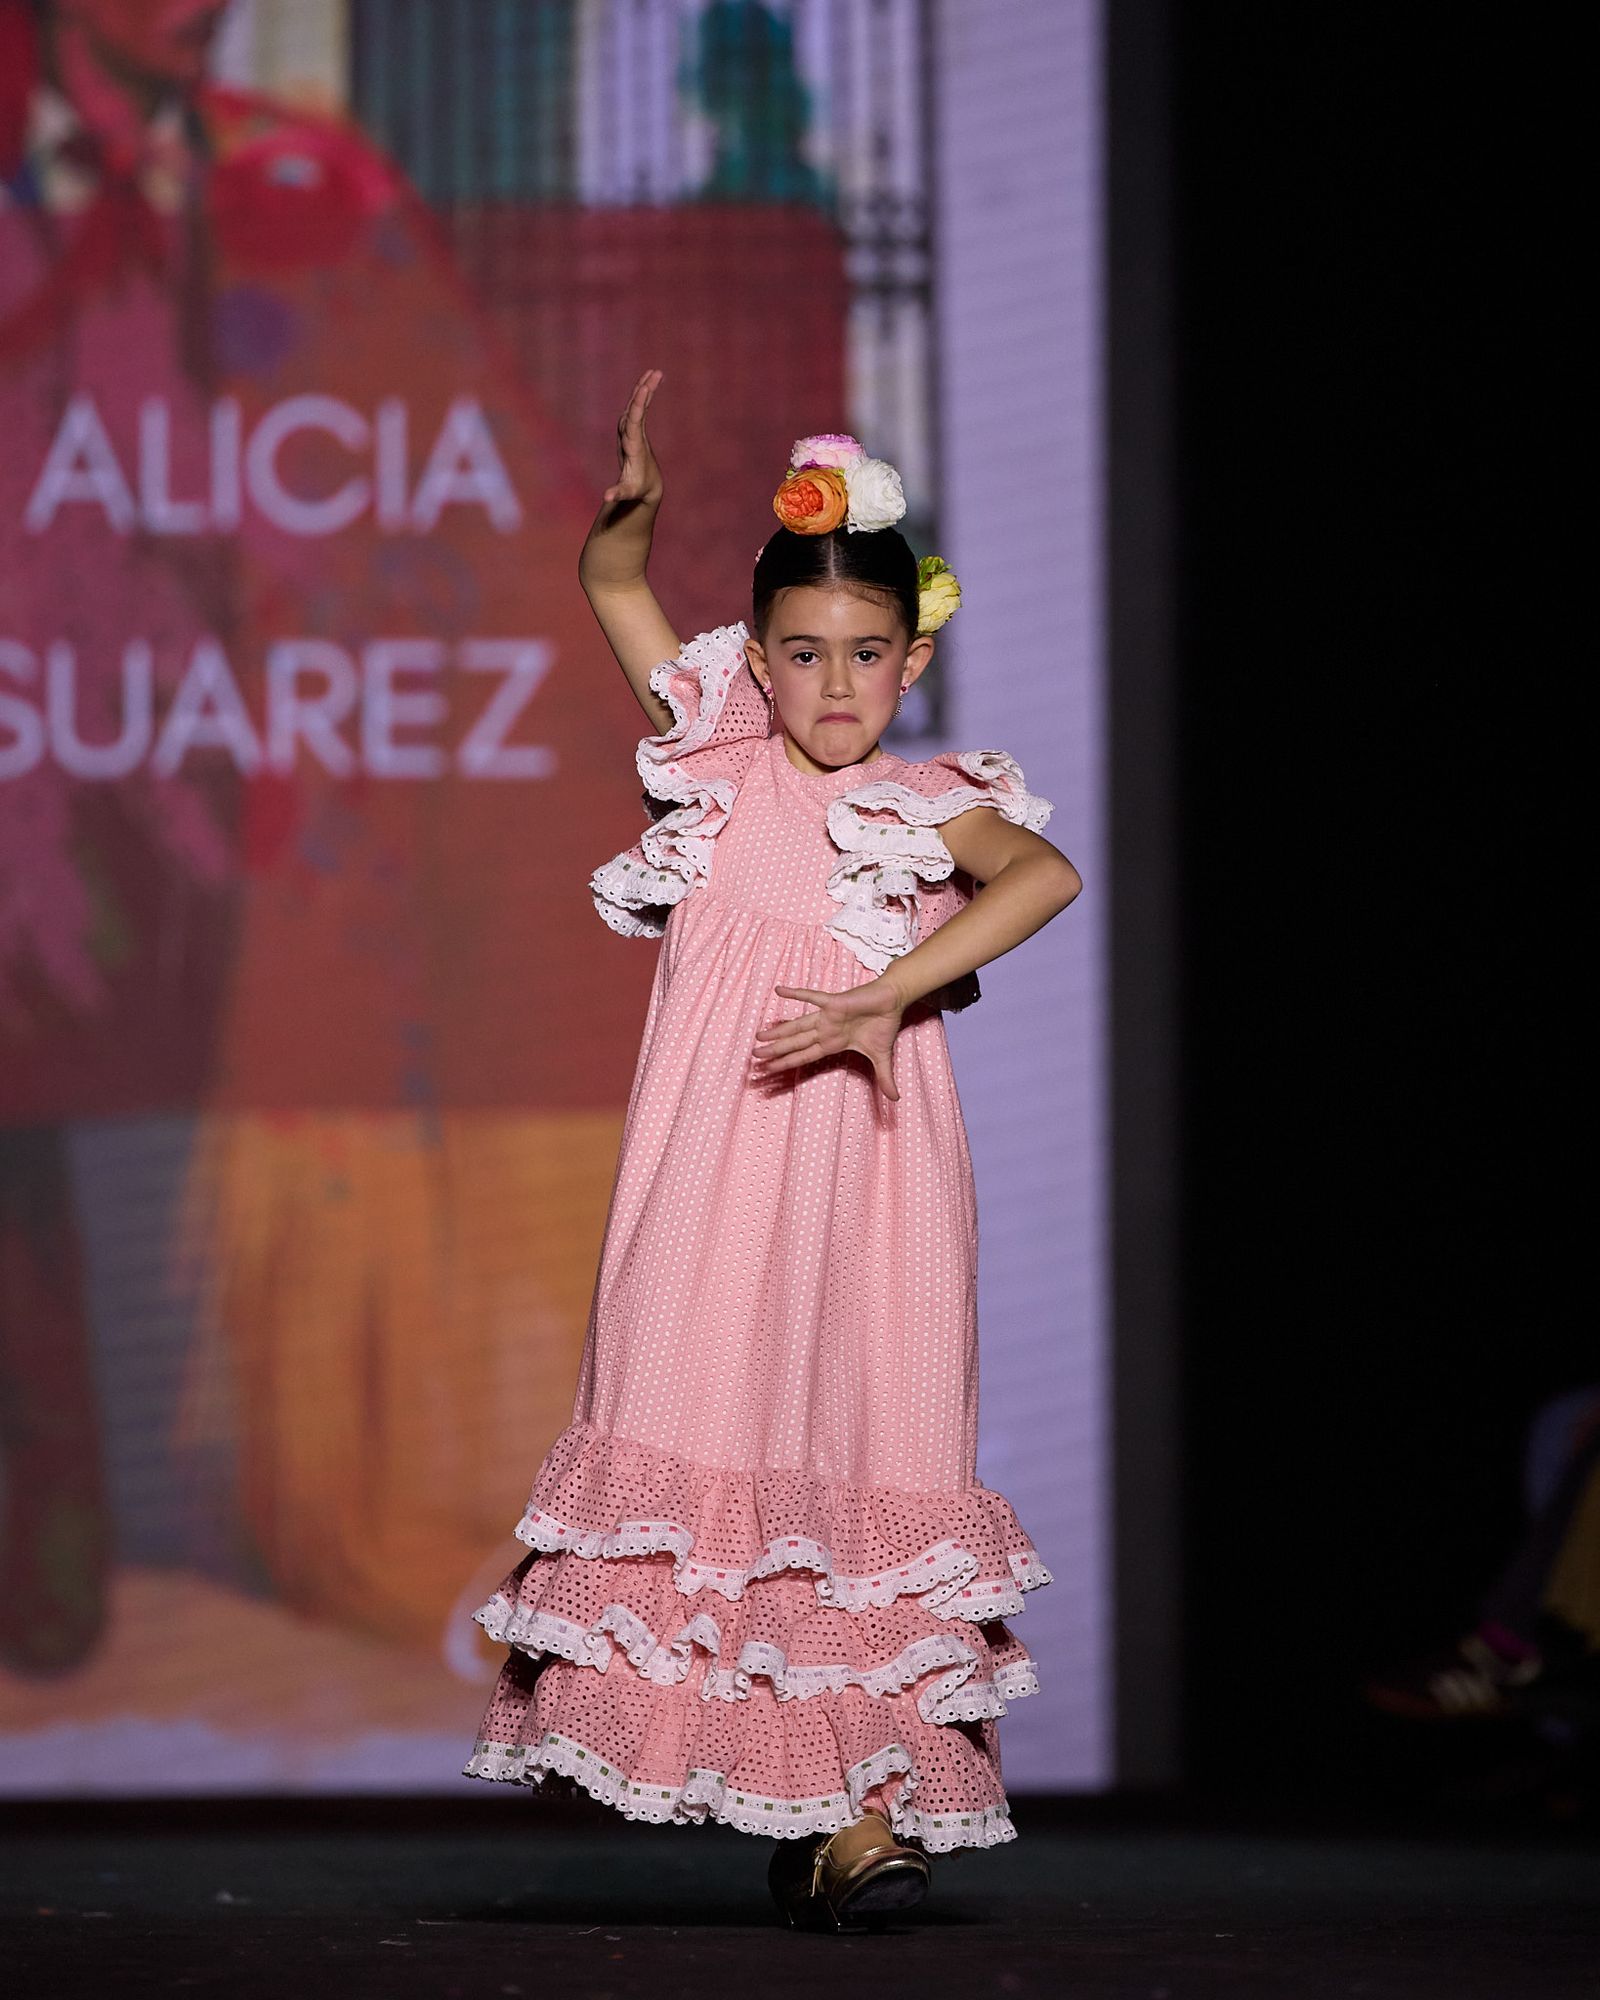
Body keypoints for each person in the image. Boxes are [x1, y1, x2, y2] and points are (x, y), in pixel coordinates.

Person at [462, 371, 1083, 1933]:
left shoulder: (931, 809)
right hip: (711, 1181)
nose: (834, 686)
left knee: (870, 1462)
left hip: (875, 1193)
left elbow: (1048, 878)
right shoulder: (723, 768)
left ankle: (858, 1818)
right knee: (707, 1453)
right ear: (760, 660)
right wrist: (633, 524)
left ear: (912, 659)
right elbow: (614, 588)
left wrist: (885, 994)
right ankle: (791, 1796)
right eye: (801, 655)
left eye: (867, 655)